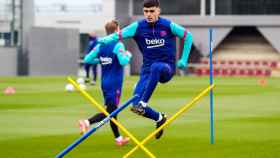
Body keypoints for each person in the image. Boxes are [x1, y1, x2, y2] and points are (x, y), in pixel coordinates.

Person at [99, 0, 193, 139]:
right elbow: (119, 34)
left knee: (156, 68)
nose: (149, 14)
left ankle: (144, 102)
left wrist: (184, 59)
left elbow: (188, 36)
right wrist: (107, 39)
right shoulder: (137, 27)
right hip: (147, 71)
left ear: (158, 11)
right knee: (135, 106)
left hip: (166, 68)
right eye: (146, 11)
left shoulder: (167, 25)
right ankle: (159, 118)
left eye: (152, 11)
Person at [79, 20, 132, 146]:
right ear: (117, 30)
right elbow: (123, 62)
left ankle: (118, 139)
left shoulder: (100, 45)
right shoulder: (118, 45)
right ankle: (86, 122)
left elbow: (87, 59)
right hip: (114, 84)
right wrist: (128, 55)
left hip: (104, 83)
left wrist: (102, 61)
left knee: (113, 111)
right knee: (110, 112)